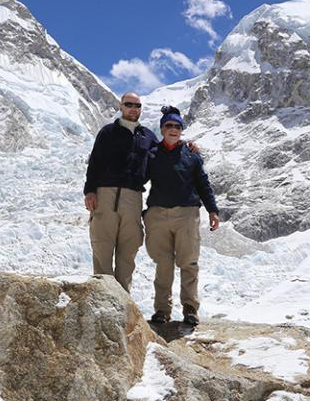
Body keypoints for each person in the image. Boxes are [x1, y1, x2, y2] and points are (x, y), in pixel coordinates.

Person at [144, 106, 219, 326]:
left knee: (188, 262)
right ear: (162, 128)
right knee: (163, 264)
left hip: (187, 214)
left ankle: (190, 308)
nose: (173, 129)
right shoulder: (152, 155)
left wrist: (212, 210)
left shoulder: (192, 156)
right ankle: (161, 310)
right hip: (157, 214)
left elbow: (203, 184)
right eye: (169, 126)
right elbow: (136, 179)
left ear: (182, 130)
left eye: (177, 126)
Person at [84, 92, 157, 292]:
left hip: (133, 197)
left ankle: (123, 300)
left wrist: (188, 148)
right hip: (105, 194)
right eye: (129, 104)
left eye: (137, 105)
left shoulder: (148, 136)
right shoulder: (107, 132)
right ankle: (102, 297)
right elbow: (95, 162)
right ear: (121, 107)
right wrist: (90, 190)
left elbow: (164, 159)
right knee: (102, 247)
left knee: (129, 249)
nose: (134, 108)